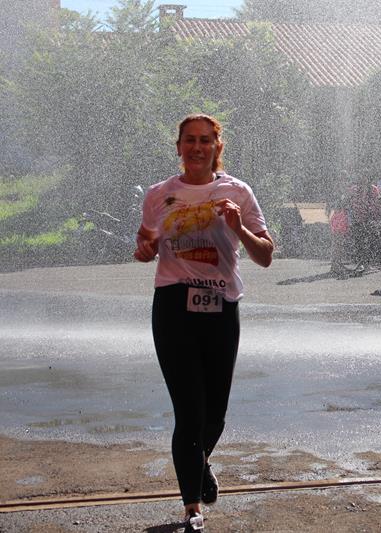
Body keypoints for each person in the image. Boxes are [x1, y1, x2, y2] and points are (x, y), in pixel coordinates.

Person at [134, 113, 274, 531]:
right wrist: (145, 250)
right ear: (178, 147)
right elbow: (146, 240)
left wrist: (238, 229)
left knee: (215, 415)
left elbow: (265, 255)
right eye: (189, 140)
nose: (197, 148)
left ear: (217, 147)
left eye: (205, 141)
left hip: (221, 307)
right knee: (189, 415)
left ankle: (201, 462)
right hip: (173, 307)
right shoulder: (160, 194)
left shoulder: (237, 191)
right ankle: (192, 508)